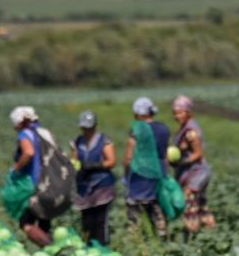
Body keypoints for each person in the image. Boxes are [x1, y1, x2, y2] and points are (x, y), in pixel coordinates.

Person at [123, 97, 170, 240]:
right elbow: (165, 156)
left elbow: (129, 159)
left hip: (140, 177)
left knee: (135, 214)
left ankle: (138, 242)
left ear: (138, 113)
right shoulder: (163, 129)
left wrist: (126, 175)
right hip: (158, 174)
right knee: (157, 210)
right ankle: (162, 241)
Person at [171, 95, 216, 240]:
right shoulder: (185, 128)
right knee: (201, 205)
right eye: (175, 113)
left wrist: (182, 162)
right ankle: (211, 235)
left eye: (180, 112)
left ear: (188, 112)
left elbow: (198, 154)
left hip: (196, 174)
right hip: (196, 173)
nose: (177, 116)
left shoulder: (191, 131)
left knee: (189, 206)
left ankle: (193, 238)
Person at [71, 110, 116, 245]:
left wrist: (96, 165)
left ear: (95, 126)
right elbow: (74, 159)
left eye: (89, 128)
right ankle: (89, 246)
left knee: (100, 221)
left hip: (102, 185)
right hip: (84, 186)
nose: (87, 131)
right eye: (84, 128)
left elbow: (111, 161)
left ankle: (102, 247)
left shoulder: (104, 141)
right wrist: (75, 165)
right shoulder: (78, 142)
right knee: (87, 221)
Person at [10, 106, 53, 246]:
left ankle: (50, 248)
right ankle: (53, 254)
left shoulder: (25, 135)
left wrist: (16, 169)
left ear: (20, 123)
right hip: (50, 183)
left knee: (26, 223)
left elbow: (28, 152)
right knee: (44, 224)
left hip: (35, 185)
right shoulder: (44, 133)